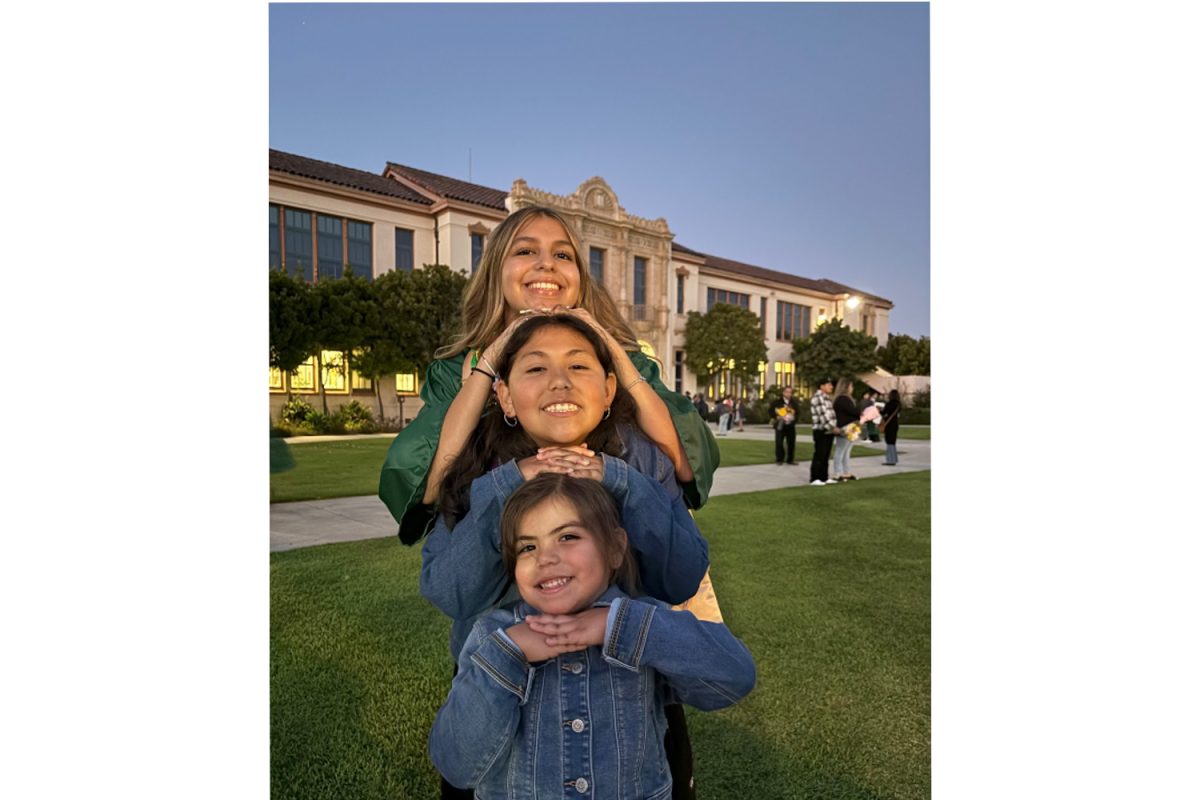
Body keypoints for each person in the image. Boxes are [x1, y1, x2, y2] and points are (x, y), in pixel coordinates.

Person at [420, 313, 711, 799]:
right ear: (506, 397)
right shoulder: (477, 468)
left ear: (609, 389)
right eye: (535, 369)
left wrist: (618, 480)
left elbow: (681, 576)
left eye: (579, 367)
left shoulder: (640, 460)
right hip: (507, 707)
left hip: (625, 711)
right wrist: (515, 480)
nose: (559, 381)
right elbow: (450, 592)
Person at [378, 205, 720, 545]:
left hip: (616, 557)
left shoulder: (626, 365)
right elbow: (427, 486)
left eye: (563, 254)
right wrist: (492, 358)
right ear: (496, 269)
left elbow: (685, 465)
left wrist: (608, 344)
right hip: (499, 563)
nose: (547, 263)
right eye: (526, 251)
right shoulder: (457, 371)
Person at [429, 473, 756, 798]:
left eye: (567, 537)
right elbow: (456, 764)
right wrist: (507, 655)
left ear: (615, 547)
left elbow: (734, 678)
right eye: (527, 546)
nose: (545, 557)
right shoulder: (493, 635)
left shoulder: (647, 620)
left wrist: (619, 626)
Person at [809, 378, 837, 485]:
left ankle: (824, 476)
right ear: (822, 386)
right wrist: (832, 427)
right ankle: (815, 477)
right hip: (821, 429)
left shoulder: (827, 398)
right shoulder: (818, 398)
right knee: (819, 454)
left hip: (829, 429)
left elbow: (831, 414)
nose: (831, 387)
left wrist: (833, 426)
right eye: (829, 384)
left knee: (826, 455)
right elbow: (823, 415)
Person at [830, 378, 859, 483]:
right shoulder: (843, 399)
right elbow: (853, 412)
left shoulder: (845, 398)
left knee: (847, 451)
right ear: (846, 387)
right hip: (846, 427)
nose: (852, 388)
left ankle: (846, 472)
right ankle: (837, 473)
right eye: (851, 386)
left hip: (852, 426)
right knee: (840, 450)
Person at [769, 386, 801, 465]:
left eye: (790, 392)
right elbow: (770, 411)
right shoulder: (777, 402)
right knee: (779, 443)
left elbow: (798, 413)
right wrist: (776, 416)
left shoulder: (794, 403)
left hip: (790, 426)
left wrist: (793, 418)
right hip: (780, 425)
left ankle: (790, 459)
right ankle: (779, 459)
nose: (789, 394)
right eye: (787, 392)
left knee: (791, 443)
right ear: (783, 392)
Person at [881, 388, 902, 465]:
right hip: (895, 424)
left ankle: (890, 460)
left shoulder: (890, 404)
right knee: (893, 442)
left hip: (889, 424)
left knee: (889, 442)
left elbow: (884, 412)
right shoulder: (898, 404)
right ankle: (893, 459)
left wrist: (878, 410)